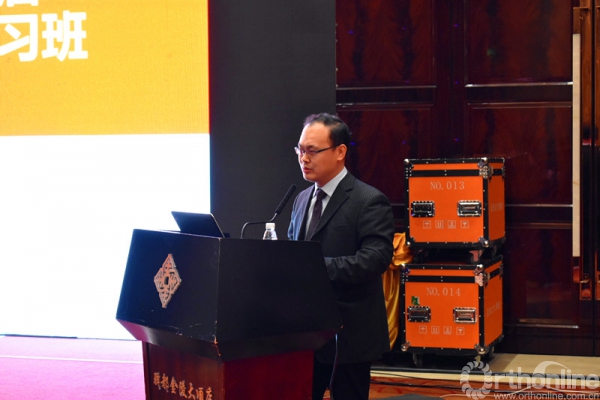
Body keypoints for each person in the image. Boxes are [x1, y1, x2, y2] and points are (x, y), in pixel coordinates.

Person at [287, 113, 395, 400]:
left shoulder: (368, 200)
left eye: (312, 151)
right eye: (300, 150)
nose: (303, 158)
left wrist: (317, 269)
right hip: (304, 334)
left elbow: (376, 259)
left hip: (349, 335)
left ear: (340, 152)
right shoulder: (301, 199)